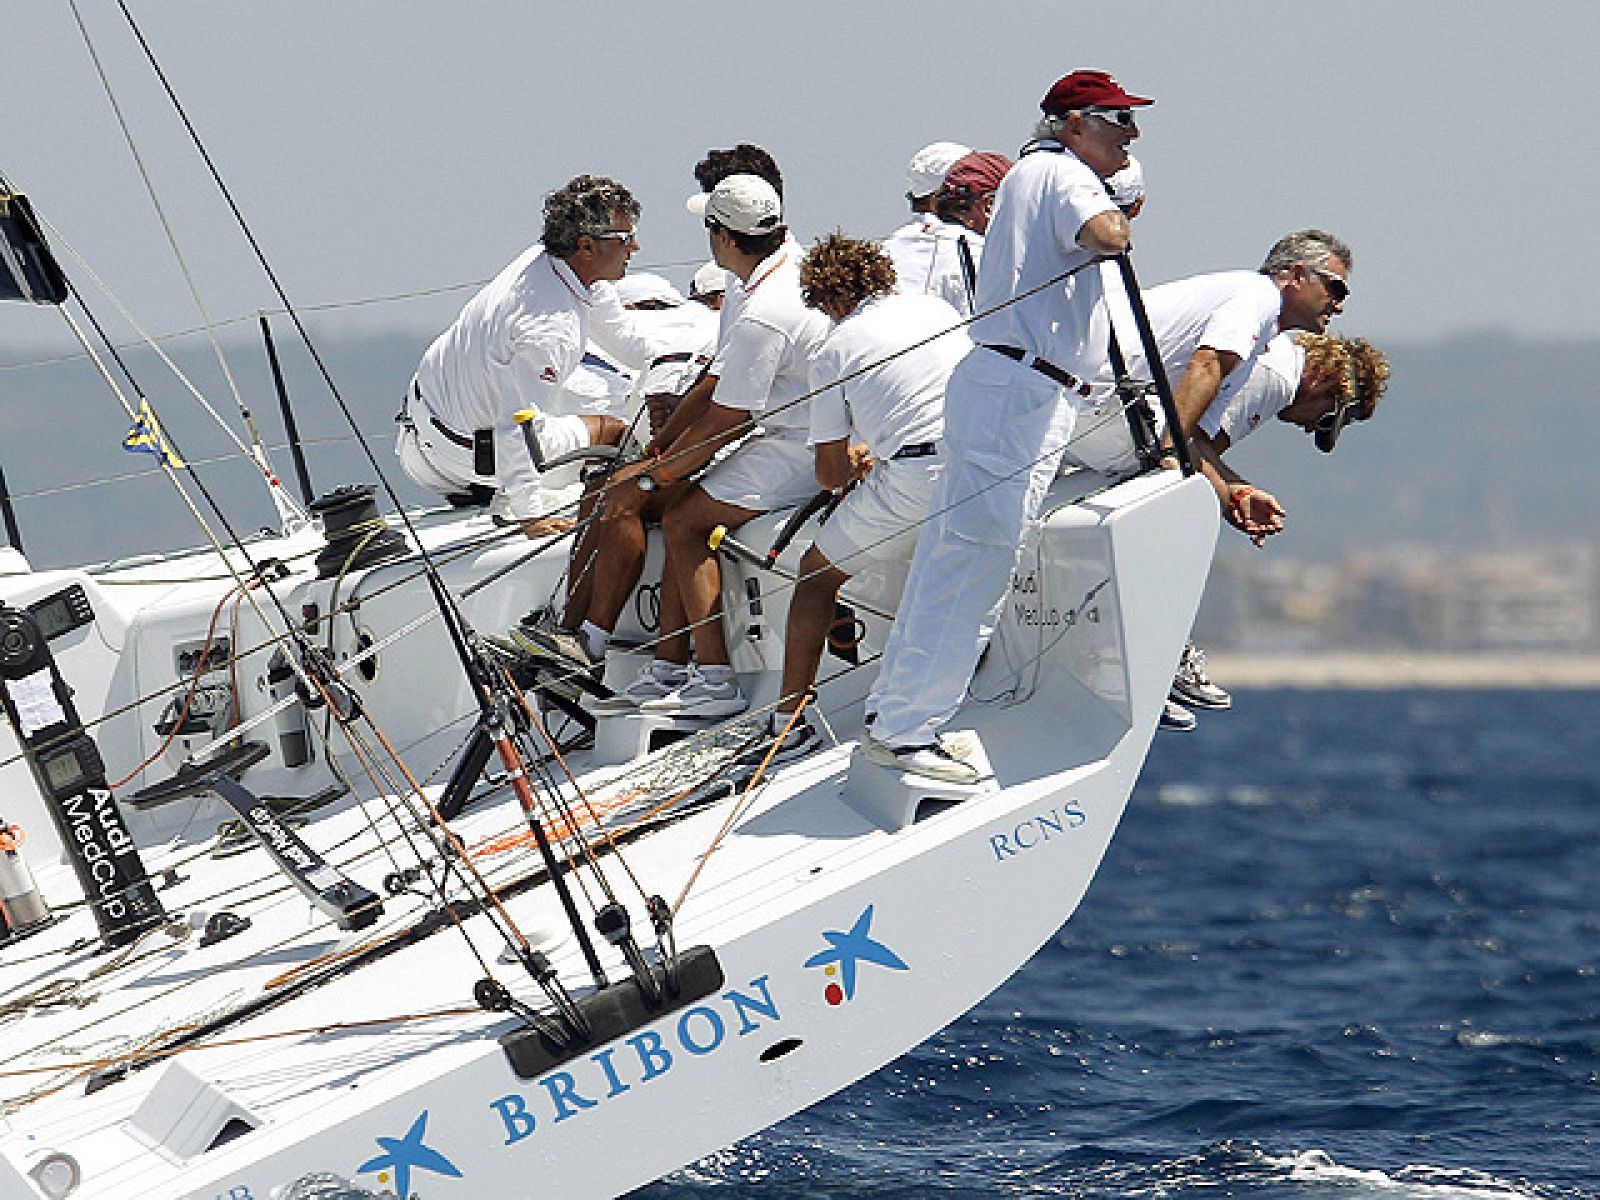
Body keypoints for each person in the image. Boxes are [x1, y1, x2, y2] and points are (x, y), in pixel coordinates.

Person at [861, 69, 1146, 782]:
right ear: (1075, 123)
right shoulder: (1063, 170)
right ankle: (905, 731)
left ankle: (896, 717)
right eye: (1118, 122)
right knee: (975, 560)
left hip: (1011, 384)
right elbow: (1110, 233)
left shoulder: (1034, 172)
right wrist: (1118, 193)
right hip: (1023, 389)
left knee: (955, 556)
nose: (1131, 135)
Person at [1063, 230, 1355, 725]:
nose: (1340, 305)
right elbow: (1205, 368)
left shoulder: (1265, 334)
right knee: (1173, 505)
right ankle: (1151, 656)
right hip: (1089, 396)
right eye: (1335, 288)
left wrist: (1230, 493)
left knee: (1179, 492)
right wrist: (1175, 466)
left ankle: (1145, 658)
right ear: (1293, 277)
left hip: (1101, 401)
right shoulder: (1255, 297)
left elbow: (1192, 437)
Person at [598, 174, 830, 718]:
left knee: (683, 520)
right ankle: (670, 669)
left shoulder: (762, 313)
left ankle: (717, 681)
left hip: (803, 442)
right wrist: (661, 461)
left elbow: (727, 418)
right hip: (797, 429)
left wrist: (656, 474)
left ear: (722, 237)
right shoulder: (781, 277)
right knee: (682, 508)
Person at [752, 234, 968, 761]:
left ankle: (788, 722)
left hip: (919, 478)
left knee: (815, 576)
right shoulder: (934, 307)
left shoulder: (835, 350)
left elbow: (828, 475)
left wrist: (859, 459)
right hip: (984, 461)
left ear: (829, 302)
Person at [397, 175, 642, 536]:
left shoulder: (549, 264)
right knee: (615, 429)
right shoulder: (549, 329)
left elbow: (627, 343)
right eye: (624, 239)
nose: (635, 247)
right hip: (467, 457)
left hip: (419, 426)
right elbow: (517, 426)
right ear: (587, 247)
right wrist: (531, 516)